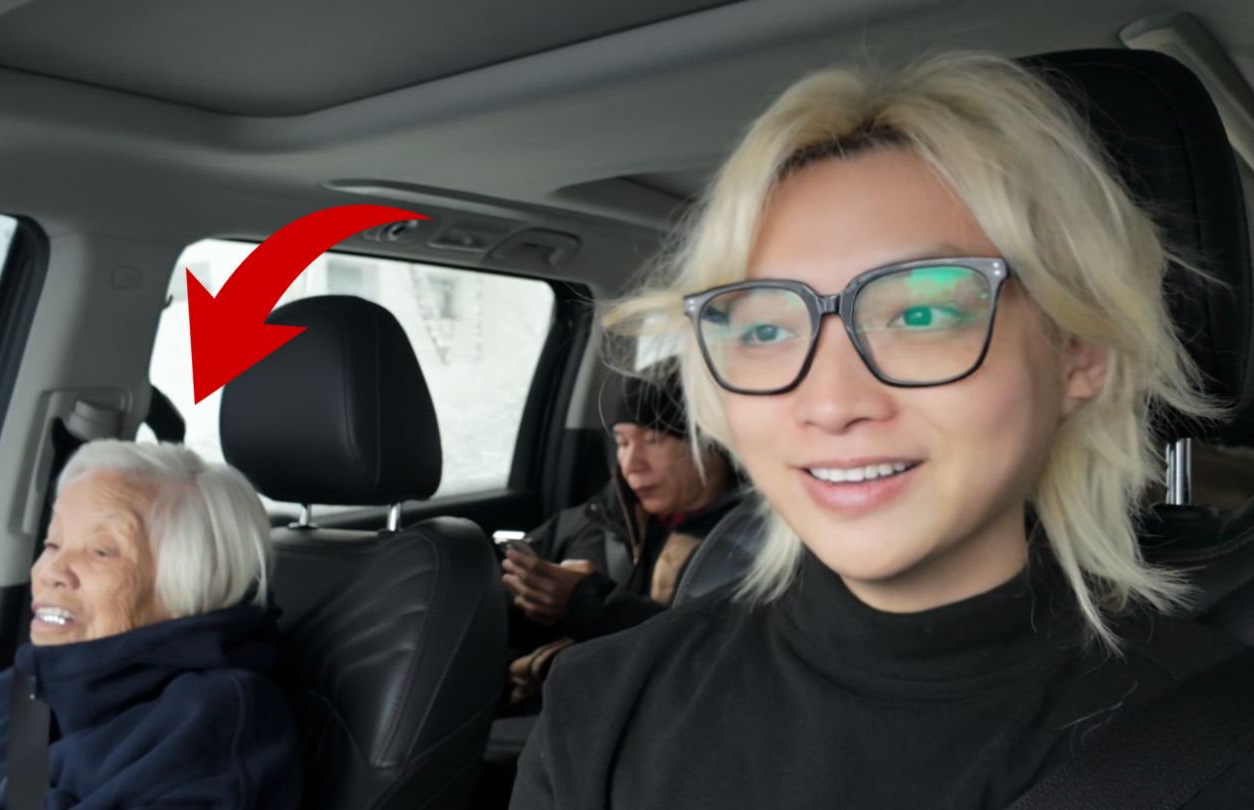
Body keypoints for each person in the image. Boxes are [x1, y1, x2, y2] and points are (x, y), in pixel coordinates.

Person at [510, 51, 1254, 809]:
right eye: (767, 329)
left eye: (922, 314)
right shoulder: (604, 707)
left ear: (1077, 353)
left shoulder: (1219, 744)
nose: (832, 403)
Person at [0, 440, 302, 809]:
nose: (51, 571)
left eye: (101, 552)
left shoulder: (215, 723)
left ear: (188, 584)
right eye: (53, 543)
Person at [500, 367, 738, 704]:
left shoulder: (748, 545)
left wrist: (588, 604)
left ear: (713, 445)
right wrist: (525, 601)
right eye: (622, 442)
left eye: (654, 439)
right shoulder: (593, 520)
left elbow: (720, 661)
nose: (631, 464)